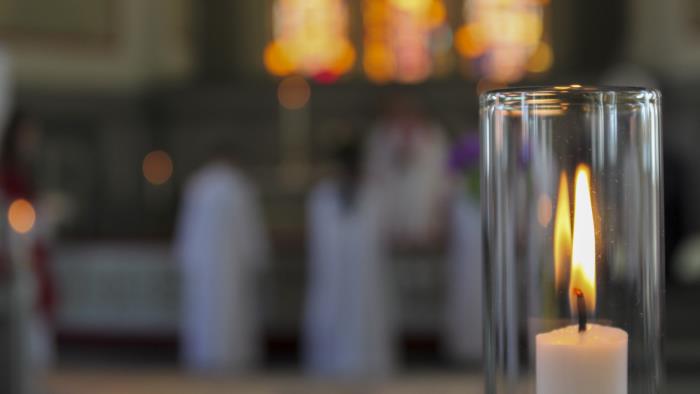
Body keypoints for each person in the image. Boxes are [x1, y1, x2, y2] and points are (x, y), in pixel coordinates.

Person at [303, 141, 396, 378]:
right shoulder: (323, 195)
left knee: (363, 312)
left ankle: (364, 363)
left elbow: (382, 233)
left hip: (364, 273)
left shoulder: (375, 193)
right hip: (335, 272)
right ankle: (330, 364)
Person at [174, 146, 269, 373]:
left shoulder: (198, 185)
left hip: (204, 266)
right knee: (232, 312)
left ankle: (206, 357)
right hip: (234, 266)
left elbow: (187, 231)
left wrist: (185, 259)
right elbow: (252, 233)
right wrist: (257, 258)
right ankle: (232, 357)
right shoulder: (241, 186)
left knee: (206, 312)